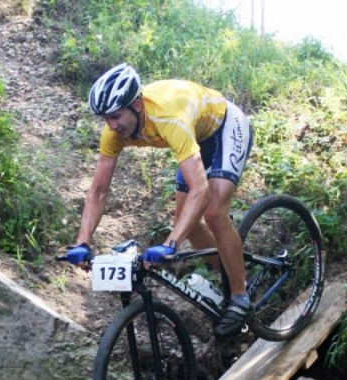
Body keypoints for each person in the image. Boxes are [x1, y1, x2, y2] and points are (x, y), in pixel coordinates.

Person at [65, 63, 254, 339]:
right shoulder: (114, 133)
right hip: (196, 137)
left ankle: (241, 297)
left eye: (116, 116)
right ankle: (228, 273)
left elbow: (200, 191)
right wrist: (83, 240)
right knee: (184, 222)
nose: (112, 125)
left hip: (224, 125)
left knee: (213, 212)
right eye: (106, 119)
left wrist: (170, 244)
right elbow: (98, 191)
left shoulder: (167, 118)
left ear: (137, 105)